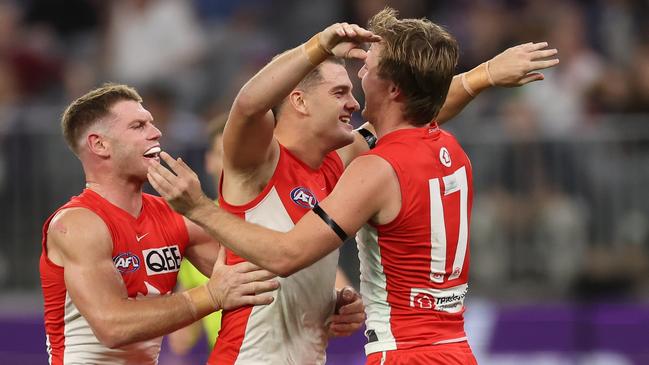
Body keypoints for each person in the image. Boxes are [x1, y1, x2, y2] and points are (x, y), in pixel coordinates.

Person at [148, 8, 559, 365]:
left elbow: (412, 110)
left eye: (359, 81)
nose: (355, 101)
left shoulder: (346, 164)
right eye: (340, 91)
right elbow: (249, 105)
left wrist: (329, 302)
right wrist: (317, 46)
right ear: (299, 100)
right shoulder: (259, 161)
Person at [39, 83, 279, 365]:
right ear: (99, 144)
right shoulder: (77, 223)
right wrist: (211, 294)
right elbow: (112, 326)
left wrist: (329, 303)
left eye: (151, 123)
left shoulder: (176, 215)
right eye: (139, 126)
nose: (156, 132)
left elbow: (262, 275)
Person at [167, 114, 228, 357]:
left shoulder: (279, 215)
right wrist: (181, 329)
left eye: (241, 155)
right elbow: (189, 299)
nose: (232, 164)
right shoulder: (192, 227)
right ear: (209, 161)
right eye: (224, 155)